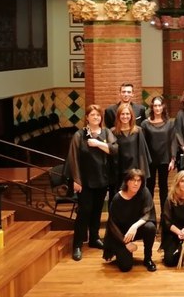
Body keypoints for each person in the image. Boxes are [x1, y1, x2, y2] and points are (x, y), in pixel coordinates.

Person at [65, 104, 118, 261]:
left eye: (98, 115)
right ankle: (77, 244)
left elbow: (114, 150)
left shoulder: (106, 132)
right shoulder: (79, 135)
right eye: (92, 115)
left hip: (102, 178)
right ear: (87, 117)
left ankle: (94, 238)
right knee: (84, 212)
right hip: (85, 180)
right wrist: (76, 180)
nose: (96, 117)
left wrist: (98, 144)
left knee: (97, 211)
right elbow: (73, 158)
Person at [102, 169, 158, 272]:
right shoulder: (117, 198)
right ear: (127, 182)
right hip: (120, 234)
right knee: (126, 267)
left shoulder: (144, 192)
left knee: (150, 227)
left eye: (139, 180)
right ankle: (121, 251)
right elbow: (112, 225)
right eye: (133, 180)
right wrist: (126, 243)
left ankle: (148, 258)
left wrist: (135, 226)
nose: (136, 183)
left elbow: (148, 213)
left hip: (134, 231)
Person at [140, 96, 175, 213]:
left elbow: (173, 141)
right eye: (155, 105)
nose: (157, 108)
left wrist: (173, 159)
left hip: (164, 159)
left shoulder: (170, 123)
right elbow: (143, 144)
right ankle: (149, 214)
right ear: (152, 107)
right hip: (150, 160)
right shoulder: (145, 124)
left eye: (159, 105)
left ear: (163, 106)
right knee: (149, 187)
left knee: (163, 187)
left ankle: (165, 215)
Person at [110, 103, 151, 198]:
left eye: (127, 114)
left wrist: (142, 172)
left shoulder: (138, 131)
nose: (125, 116)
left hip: (134, 171)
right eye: (122, 114)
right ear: (118, 116)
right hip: (119, 171)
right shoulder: (113, 132)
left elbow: (142, 153)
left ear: (131, 116)